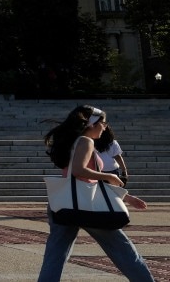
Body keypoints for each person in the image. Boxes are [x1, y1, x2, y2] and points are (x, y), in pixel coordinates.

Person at [37, 105, 152, 281]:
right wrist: (109, 176)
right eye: (103, 123)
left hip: (62, 204)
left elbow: (82, 177)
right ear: (91, 124)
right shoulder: (85, 141)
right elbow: (79, 171)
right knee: (124, 250)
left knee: (55, 255)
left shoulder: (73, 142)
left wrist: (126, 197)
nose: (105, 127)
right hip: (87, 204)